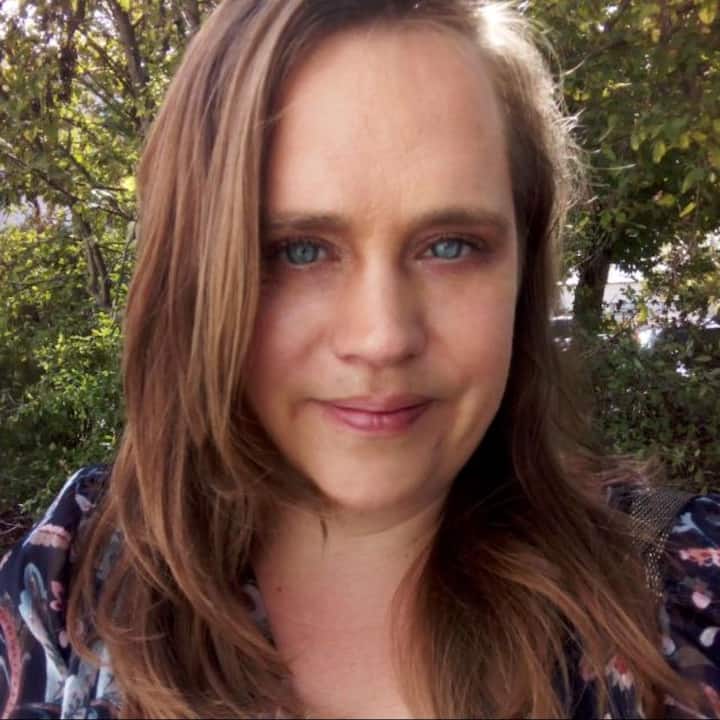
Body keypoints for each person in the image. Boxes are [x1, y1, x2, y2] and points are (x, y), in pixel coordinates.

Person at [1, 0, 719, 717]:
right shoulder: (65, 595)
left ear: (523, 269)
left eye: (450, 246)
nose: (382, 337)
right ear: (194, 274)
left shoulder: (684, 605)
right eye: (299, 251)